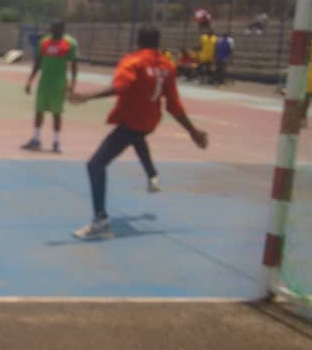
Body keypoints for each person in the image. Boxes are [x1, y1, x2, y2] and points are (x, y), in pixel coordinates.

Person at [69, 26, 209, 240]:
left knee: (96, 164)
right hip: (149, 121)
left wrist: (87, 96)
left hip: (132, 120)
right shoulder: (167, 65)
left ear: (138, 42)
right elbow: (174, 105)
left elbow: (121, 86)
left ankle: (101, 221)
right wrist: (193, 131)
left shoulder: (133, 61)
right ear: (157, 43)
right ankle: (152, 174)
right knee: (136, 137)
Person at [22, 21, 78, 153]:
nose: (54, 31)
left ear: (63, 29)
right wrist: (30, 81)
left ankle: (56, 142)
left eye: (57, 29)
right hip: (44, 82)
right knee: (39, 110)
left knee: (57, 113)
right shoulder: (44, 42)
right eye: (53, 29)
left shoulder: (70, 43)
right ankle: (36, 139)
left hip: (59, 83)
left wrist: (72, 83)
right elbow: (38, 62)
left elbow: (74, 64)